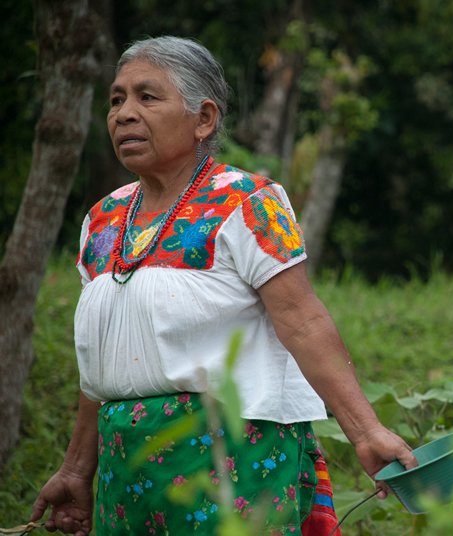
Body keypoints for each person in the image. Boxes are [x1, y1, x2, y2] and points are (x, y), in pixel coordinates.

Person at [30, 36, 415, 536]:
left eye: (147, 97)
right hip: (127, 468)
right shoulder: (103, 221)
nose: (124, 113)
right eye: (116, 99)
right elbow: (105, 359)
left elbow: (303, 320)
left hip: (230, 458)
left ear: (204, 119)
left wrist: (366, 432)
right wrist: (78, 469)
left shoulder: (248, 201)